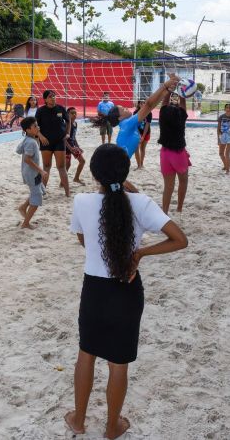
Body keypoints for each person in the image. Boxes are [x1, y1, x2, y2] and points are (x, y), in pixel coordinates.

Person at [64, 144, 187, 439]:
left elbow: (85, 242)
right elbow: (179, 240)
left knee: (86, 354)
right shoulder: (140, 202)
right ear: (126, 172)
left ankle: (78, 420)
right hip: (127, 289)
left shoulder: (81, 201)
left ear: (94, 174)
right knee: (118, 364)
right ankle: (111, 427)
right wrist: (140, 253)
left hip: (94, 289)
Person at [90, 75, 181, 192]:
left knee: (114, 189)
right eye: (123, 109)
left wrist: (167, 90)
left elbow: (150, 106)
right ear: (119, 118)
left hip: (117, 165)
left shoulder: (126, 124)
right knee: (126, 191)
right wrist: (165, 86)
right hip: (116, 166)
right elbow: (148, 105)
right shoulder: (127, 123)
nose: (127, 108)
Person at [157, 90, 190, 215]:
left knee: (168, 186)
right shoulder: (181, 116)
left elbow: (164, 102)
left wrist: (169, 89)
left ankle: (164, 212)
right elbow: (182, 103)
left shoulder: (162, 114)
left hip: (165, 154)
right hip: (178, 154)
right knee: (183, 181)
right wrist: (182, 91)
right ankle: (179, 208)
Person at [35, 90, 70, 197]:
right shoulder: (41, 111)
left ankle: (67, 193)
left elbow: (68, 121)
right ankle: (42, 191)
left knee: (61, 167)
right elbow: (35, 126)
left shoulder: (60, 109)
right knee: (46, 166)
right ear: (45, 99)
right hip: (46, 142)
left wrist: (68, 133)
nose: (53, 98)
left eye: (54, 96)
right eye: (50, 97)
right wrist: (40, 136)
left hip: (59, 141)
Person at [16, 117, 47, 229]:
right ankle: (25, 223)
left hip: (30, 173)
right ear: (28, 130)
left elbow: (18, 150)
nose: (38, 127)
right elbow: (27, 159)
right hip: (32, 174)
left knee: (39, 191)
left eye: (37, 125)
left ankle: (23, 208)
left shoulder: (28, 140)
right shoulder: (31, 143)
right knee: (37, 199)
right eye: (35, 126)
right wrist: (41, 170)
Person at [64, 107, 86, 185]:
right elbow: (63, 139)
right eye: (72, 113)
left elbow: (73, 137)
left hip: (73, 146)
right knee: (67, 165)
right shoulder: (66, 124)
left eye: (75, 113)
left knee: (82, 161)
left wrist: (78, 146)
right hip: (67, 147)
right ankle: (62, 182)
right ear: (67, 114)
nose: (74, 115)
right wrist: (70, 148)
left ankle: (76, 178)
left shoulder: (75, 123)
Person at [217, 102, 230, 174]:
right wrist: (218, 139)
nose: (228, 109)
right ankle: (226, 166)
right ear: (225, 109)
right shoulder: (221, 117)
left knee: (227, 153)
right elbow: (218, 129)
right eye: (227, 107)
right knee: (221, 153)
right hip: (222, 136)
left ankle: (228, 170)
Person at [133, 100, 152, 169]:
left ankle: (141, 163)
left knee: (142, 149)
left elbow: (147, 125)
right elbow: (135, 125)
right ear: (139, 104)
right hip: (137, 132)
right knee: (136, 149)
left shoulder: (149, 113)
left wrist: (143, 136)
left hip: (146, 133)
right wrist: (138, 135)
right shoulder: (135, 113)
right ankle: (139, 165)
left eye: (144, 103)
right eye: (141, 103)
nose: (143, 104)